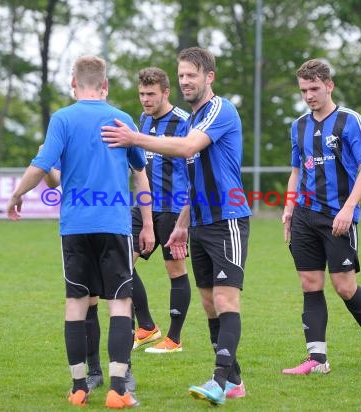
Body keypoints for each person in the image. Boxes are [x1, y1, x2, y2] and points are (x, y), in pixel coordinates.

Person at [102, 47, 251, 406]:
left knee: (225, 299)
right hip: (197, 222)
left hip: (227, 218)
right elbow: (194, 176)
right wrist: (183, 224)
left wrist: (135, 138)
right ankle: (236, 382)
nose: (185, 81)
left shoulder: (219, 110)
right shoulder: (194, 117)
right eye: (181, 75)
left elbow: (187, 149)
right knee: (209, 304)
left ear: (208, 77)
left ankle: (218, 382)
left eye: (191, 75)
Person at [7, 55, 144, 409]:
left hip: (75, 226)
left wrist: (17, 194)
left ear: (73, 84)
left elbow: (44, 169)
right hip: (113, 223)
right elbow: (138, 171)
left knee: (75, 304)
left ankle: (79, 387)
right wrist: (146, 220)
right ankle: (117, 390)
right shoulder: (122, 119)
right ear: (105, 85)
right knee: (120, 304)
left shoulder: (62, 119)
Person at [281, 59, 361, 375]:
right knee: (310, 283)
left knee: (344, 287)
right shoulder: (298, 126)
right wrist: (288, 208)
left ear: (329, 86)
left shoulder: (349, 121)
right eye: (303, 90)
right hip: (303, 216)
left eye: (314, 88)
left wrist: (349, 207)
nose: (309, 95)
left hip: (338, 216)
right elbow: (297, 170)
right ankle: (317, 359)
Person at [40, 157, 154, 394]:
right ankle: (94, 373)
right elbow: (53, 182)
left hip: (113, 226)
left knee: (121, 299)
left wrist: (147, 222)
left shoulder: (119, 127)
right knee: (88, 301)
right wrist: (47, 165)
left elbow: (140, 173)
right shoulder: (67, 126)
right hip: (79, 228)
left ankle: (123, 373)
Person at [130, 67, 192, 354]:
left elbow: (194, 165)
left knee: (175, 270)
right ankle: (145, 327)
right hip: (143, 205)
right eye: (142, 94)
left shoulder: (183, 122)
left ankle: (174, 339)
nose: (145, 99)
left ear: (166, 92)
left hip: (172, 207)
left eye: (151, 94)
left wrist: (185, 216)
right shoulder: (142, 120)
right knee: (120, 263)